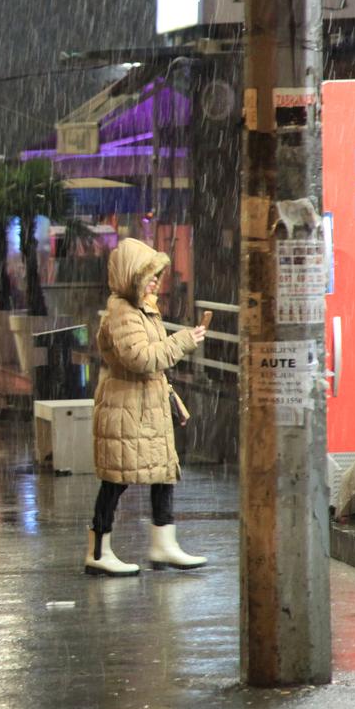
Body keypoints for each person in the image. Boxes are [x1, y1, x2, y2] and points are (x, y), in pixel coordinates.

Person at [84, 238, 207, 577]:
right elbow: (141, 358)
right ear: (130, 276)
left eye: (157, 275)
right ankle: (98, 551)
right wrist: (182, 341)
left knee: (165, 472)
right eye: (149, 275)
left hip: (146, 405)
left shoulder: (143, 307)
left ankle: (164, 543)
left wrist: (173, 401)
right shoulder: (122, 312)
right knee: (116, 479)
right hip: (127, 407)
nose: (156, 281)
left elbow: (153, 362)